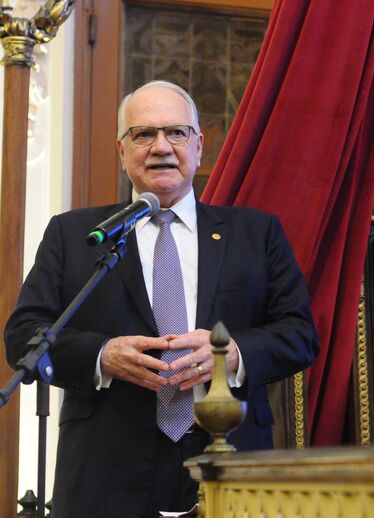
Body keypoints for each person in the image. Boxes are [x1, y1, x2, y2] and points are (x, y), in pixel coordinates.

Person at [4, 80, 319, 518]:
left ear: (198, 146)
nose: (161, 147)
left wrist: (232, 354)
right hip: (105, 470)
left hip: (229, 459)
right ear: (122, 150)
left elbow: (300, 334)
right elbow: (24, 334)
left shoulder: (256, 233)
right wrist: (102, 355)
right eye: (143, 134)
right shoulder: (75, 235)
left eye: (176, 132)